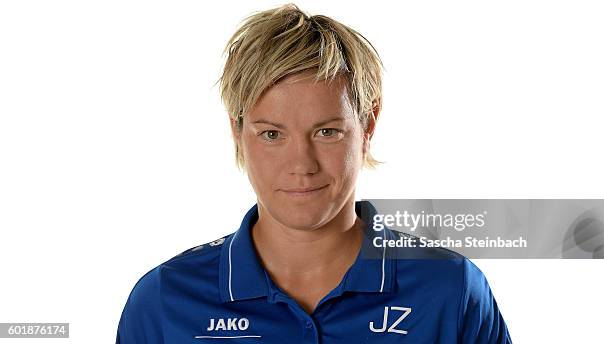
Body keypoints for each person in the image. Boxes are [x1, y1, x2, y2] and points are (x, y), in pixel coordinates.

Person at [116, 3, 512, 343]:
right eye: (272, 134)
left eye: (327, 132)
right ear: (237, 133)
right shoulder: (165, 301)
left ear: (368, 126)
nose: (301, 165)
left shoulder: (451, 289)